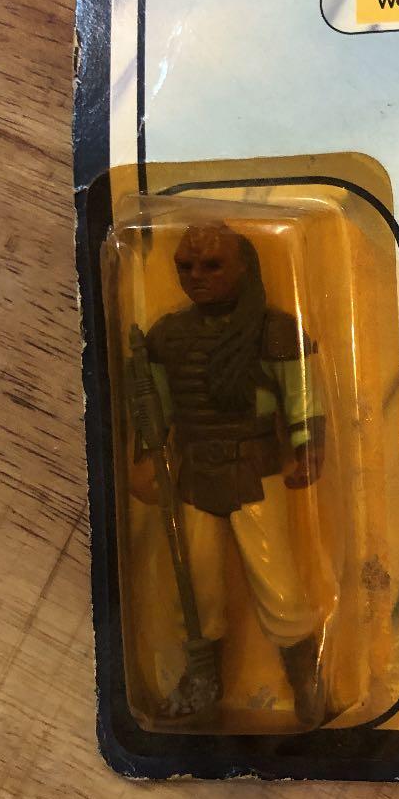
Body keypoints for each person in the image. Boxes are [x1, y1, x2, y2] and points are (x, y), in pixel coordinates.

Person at [129, 222, 327, 727]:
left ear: (243, 268)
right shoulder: (166, 337)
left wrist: (309, 446)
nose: (196, 276)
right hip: (194, 473)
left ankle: (305, 675)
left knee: (277, 581)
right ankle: (203, 678)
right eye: (186, 267)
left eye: (212, 265)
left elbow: (301, 393)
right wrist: (147, 457)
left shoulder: (273, 331)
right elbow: (154, 410)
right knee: (195, 587)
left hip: (254, 471)